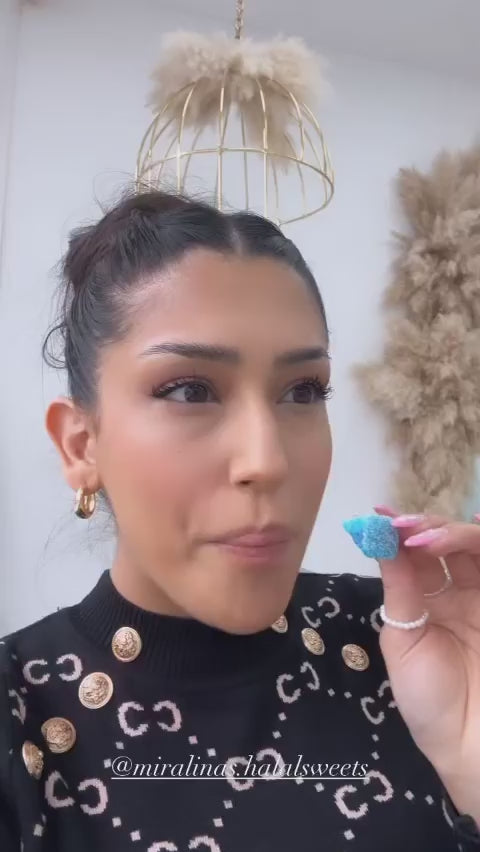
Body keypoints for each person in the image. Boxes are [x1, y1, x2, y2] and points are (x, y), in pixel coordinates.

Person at [0, 189, 479, 852]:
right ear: (81, 446)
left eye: (303, 391)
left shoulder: (415, 644)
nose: (267, 460)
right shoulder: (19, 715)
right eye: (189, 390)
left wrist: (467, 763)